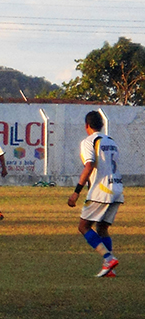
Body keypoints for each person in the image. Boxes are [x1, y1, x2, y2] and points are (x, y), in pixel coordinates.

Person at [67, 110, 123, 277]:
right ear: (103, 124)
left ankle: (108, 257)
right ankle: (109, 269)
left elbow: (89, 165)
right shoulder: (111, 141)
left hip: (101, 190)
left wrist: (76, 192)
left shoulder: (88, 141)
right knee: (102, 228)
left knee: (83, 226)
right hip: (117, 188)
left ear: (87, 126)